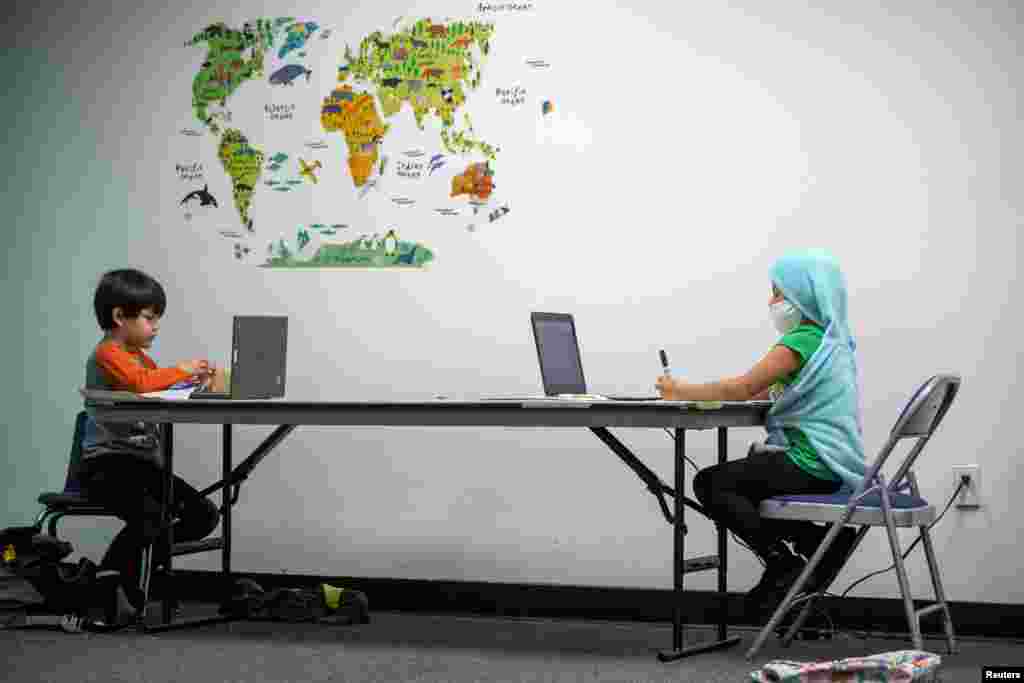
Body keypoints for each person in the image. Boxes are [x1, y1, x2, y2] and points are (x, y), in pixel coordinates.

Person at [654, 248, 866, 613]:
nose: (772, 301)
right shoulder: (833, 345)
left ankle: (782, 561)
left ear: (806, 295)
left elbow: (741, 389)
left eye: (779, 292)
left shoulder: (799, 342)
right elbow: (764, 391)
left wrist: (679, 391)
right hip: (836, 466)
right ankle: (816, 541)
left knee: (712, 483)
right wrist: (717, 392)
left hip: (810, 465)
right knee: (743, 480)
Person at [79, 268, 221, 614]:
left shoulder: (139, 357)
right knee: (152, 517)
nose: (155, 326)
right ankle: (110, 580)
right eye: (149, 318)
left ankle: (133, 571)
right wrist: (183, 369)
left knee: (203, 515)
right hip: (106, 466)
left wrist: (196, 384)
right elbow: (142, 383)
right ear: (118, 317)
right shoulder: (108, 353)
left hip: (140, 465)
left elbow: (156, 386)